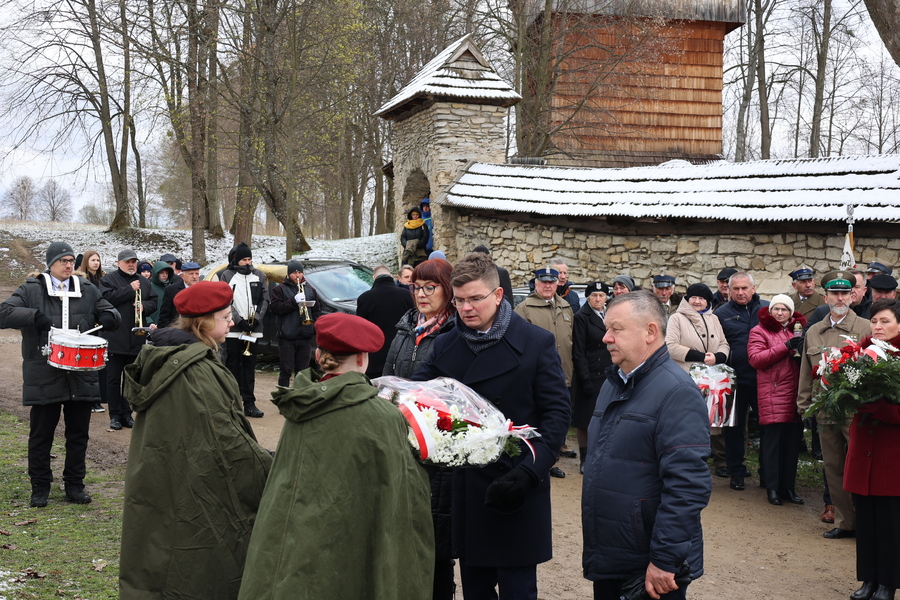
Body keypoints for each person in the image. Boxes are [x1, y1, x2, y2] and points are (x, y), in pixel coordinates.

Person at [237, 313, 434, 599]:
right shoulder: (381, 416)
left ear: (317, 355)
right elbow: (401, 494)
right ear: (363, 359)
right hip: (354, 539)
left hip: (298, 537)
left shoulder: (301, 401)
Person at [412, 252, 570, 600]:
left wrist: (530, 472)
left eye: (475, 299)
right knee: (476, 591)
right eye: (460, 300)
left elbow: (557, 415)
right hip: (470, 491)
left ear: (498, 296)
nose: (466, 308)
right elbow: (416, 393)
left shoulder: (535, 342)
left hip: (515, 487)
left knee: (517, 591)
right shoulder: (447, 342)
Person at [119, 281, 272, 599]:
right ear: (203, 322)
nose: (232, 321)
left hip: (163, 478)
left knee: (161, 552)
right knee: (195, 566)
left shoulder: (166, 356)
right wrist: (272, 471)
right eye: (226, 316)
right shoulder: (197, 371)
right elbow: (227, 444)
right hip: (195, 487)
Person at [582, 290, 712, 600]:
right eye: (606, 328)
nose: (606, 338)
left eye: (617, 329)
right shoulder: (615, 382)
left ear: (650, 332)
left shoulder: (676, 392)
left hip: (649, 568)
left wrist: (664, 560)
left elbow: (687, 487)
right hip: (615, 556)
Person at [0, 241, 120, 507]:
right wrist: (33, 316)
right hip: (44, 372)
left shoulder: (87, 288)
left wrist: (110, 316)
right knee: (41, 435)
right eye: (62, 261)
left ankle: (75, 485)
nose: (68, 265)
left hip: (81, 373)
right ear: (50, 263)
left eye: (70, 261)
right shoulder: (32, 289)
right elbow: (3, 313)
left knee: (78, 435)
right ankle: (40, 487)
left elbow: (109, 311)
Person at [382, 258, 456, 600]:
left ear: (447, 289)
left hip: (436, 447)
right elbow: (388, 380)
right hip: (399, 440)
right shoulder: (403, 328)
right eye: (417, 287)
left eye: (431, 287)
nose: (422, 294)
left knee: (436, 540)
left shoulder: (454, 333)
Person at [797, 271, 870, 539]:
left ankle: (867, 521)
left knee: (860, 468)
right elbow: (806, 372)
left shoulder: (866, 328)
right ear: (825, 296)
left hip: (857, 412)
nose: (839, 298)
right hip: (825, 411)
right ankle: (845, 521)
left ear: (852, 295)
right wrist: (804, 407)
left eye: (844, 293)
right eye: (834, 293)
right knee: (833, 468)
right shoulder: (814, 331)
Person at [845, 299, 900, 600]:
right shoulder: (859, 355)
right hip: (864, 449)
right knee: (866, 521)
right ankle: (868, 579)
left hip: (893, 454)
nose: (877, 327)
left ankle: (888, 584)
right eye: (875, 321)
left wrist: (876, 406)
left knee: (891, 524)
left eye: (885, 321)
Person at [515, 264, 575, 477]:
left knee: (558, 419)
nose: (548, 286)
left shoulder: (566, 307)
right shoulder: (524, 308)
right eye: (544, 282)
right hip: (537, 376)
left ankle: (552, 457)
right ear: (536, 283)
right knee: (539, 419)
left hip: (564, 374)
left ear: (558, 283)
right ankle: (539, 462)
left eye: (552, 282)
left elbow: (570, 342)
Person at [665, 283, 730, 477]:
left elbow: (724, 343)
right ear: (687, 299)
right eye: (693, 297)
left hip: (711, 380)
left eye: (702, 298)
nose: (697, 301)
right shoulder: (677, 318)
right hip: (686, 378)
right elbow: (670, 346)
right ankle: (683, 463)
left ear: (708, 301)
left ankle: (712, 461)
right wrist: (700, 357)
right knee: (686, 423)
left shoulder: (714, 319)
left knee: (711, 422)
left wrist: (718, 357)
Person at [747, 294, 806, 506]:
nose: (780, 313)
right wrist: (786, 346)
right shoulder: (759, 331)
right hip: (773, 394)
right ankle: (772, 488)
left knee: (792, 445)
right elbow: (756, 359)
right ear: (770, 311)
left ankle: (788, 487)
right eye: (776, 309)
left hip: (794, 395)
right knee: (772, 445)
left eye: (784, 309)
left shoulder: (798, 330)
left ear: (791, 313)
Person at [715, 272, 768, 491]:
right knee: (734, 428)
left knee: (767, 427)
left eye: (744, 288)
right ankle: (736, 471)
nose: (740, 292)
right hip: (734, 380)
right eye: (735, 288)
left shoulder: (767, 310)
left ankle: (767, 473)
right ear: (728, 289)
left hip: (763, 378)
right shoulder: (721, 314)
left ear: (753, 289)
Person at [100, 249, 157, 430]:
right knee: (113, 379)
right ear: (119, 263)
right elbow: (105, 300)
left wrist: (144, 307)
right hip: (115, 338)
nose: (131, 264)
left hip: (135, 338)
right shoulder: (108, 280)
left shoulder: (144, 281)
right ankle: (115, 415)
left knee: (130, 379)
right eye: (127, 261)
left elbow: (154, 301)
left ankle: (127, 413)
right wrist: (128, 290)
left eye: (133, 261)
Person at [219, 242, 269, 418]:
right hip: (233, 329)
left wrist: (256, 319)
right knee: (232, 365)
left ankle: (249, 402)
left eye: (249, 259)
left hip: (253, 329)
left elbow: (265, 299)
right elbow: (226, 301)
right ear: (236, 260)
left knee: (249, 367)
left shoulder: (259, 275)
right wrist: (239, 321)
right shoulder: (227, 275)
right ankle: (231, 402)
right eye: (244, 259)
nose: (247, 262)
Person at [571, 281, 613, 474]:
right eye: (594, 295)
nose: (598, 299)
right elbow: (578, 351)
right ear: (588, 297)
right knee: (585, 419)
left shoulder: (609, 315)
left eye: (602, 295)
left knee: (606, 417)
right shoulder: (582, 317)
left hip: (608, 373)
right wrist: (585, 379)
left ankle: (602, 456)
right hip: (589, 373)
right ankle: (585, 458)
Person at [269, 259, 321, 387]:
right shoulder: (280, 289)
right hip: (287, 337)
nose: (297, 276)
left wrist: (312, 328)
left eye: (300, 273)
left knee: (303, 371)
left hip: (305, 336)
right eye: (294, 273)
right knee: (286, 370)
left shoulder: (310, 290)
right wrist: (293, 301)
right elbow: (276, 309)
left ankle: (300, 398)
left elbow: (316, 312)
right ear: (288, 274)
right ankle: (284, 397)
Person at [357, 265, 415, 378]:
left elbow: (361, 329)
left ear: (374, 278)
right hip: (401, 354)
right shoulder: (406, 295)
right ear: (391, 276)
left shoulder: (364, 298)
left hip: (375, 357)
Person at [74, 249, 108, 413]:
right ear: (86, 261)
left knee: (100, 362)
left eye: (98, 260)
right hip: (87, 325)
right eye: (93, 260)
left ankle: (98, 397)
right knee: (87, 362)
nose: (96, 263)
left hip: (100, 325)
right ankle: (89, 399)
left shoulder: (104, 279)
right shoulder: (81, 279)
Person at [157, 261, 202, 328]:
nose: (194, 277)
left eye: (197, 274)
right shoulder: (171, 290)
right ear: (182, 276)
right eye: (191, 274)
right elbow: (165, 316)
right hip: (177, 330)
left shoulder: (203, 290)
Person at [146, 261, 174, 327]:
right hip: (153, 325)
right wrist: (149, 322)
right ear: (156, 273)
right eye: (162, 273)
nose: (165, 275)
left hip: (169, 326)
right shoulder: (149, 287)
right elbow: (143, 307)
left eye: (167, 273)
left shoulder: (171, 288)